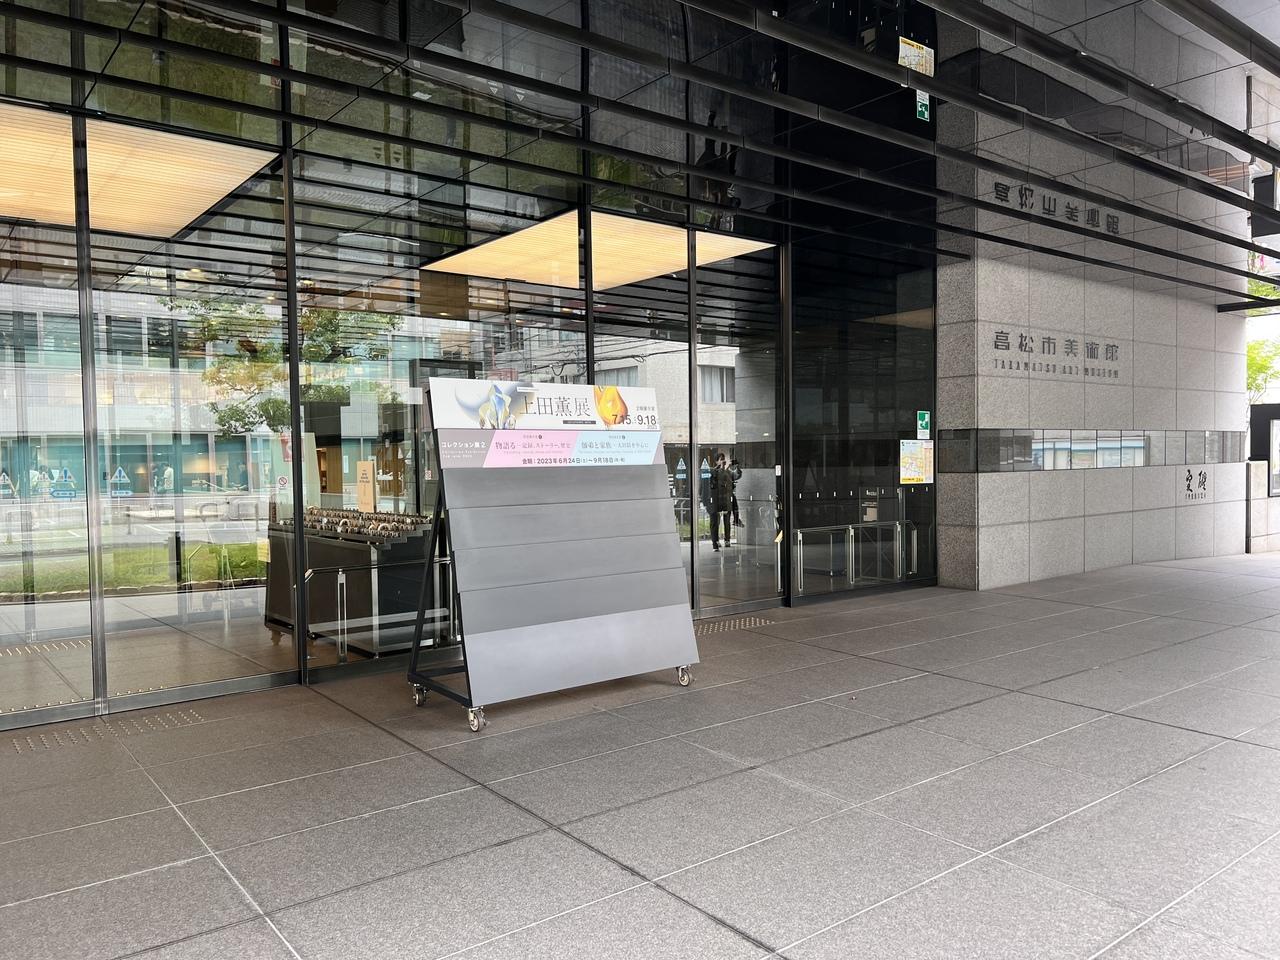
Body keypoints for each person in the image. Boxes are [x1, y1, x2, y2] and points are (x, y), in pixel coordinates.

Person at [709, 452, 734, 551]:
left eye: (724, 459)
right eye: (721, 459)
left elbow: (733, 479)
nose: (723, 461)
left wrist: (731, 468)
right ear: (716, 461)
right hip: (715, 502)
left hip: (726, 501)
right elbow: (712, 480)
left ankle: (727, 540)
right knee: (715, 522)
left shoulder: (727, 472)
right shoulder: (713, 471)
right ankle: (715, 543)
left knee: (727, 521)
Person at [729, 457, 743, 527]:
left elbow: (737, 475)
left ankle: (736, 520)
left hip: (729, 493)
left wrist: (737, 467)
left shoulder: (729, 472)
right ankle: (736, 520)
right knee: (733, 508)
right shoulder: (720, 472)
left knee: (735, 507)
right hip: (724, 495)